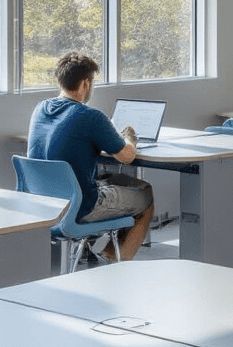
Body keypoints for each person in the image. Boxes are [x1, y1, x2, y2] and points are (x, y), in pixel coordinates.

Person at [28, 51, 154, 261]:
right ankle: (112, 260)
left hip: (43, 203)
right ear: (86, 84)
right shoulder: (90, 116)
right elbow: (126, 157)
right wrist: (130, 137)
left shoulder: (40, 109)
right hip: (78, 207)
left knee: (110, 180)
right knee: (146, 194)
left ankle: (89, 252)